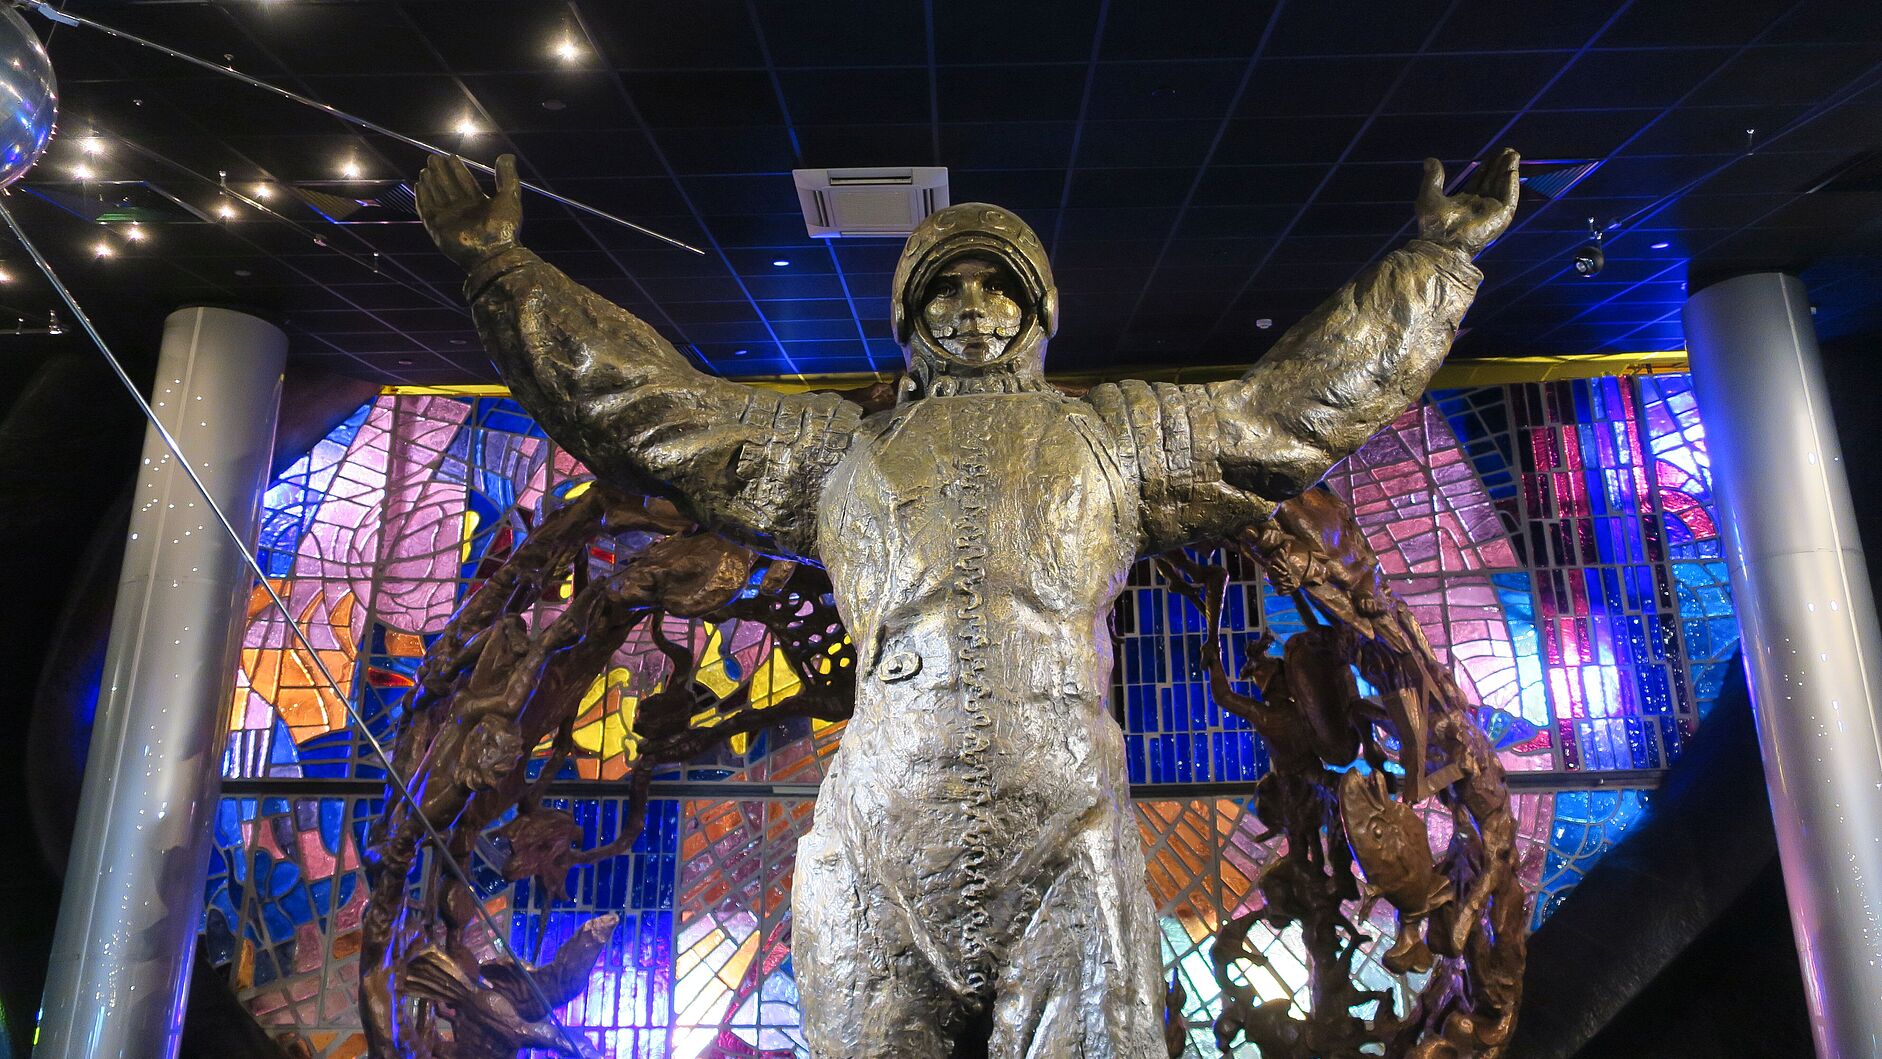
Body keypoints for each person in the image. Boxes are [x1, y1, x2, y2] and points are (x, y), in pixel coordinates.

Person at [415, 147, 1519, 1059]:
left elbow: (1293, 411)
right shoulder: (830, 453)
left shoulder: (1117, 440)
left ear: (1038, 311)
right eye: (947, 288)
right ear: (909, 314)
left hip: (1065, 832)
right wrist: (503, 271)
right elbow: (645, 405)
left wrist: (1432, 263)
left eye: (999, 287)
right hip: (878, 842)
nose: (974, 307)